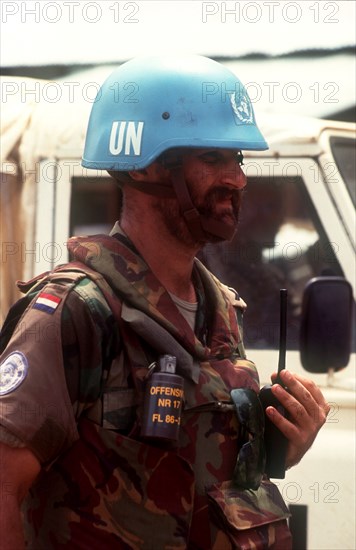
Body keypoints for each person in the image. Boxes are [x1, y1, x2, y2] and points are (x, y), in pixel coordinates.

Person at [0, 55, 330, 549]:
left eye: (237, 160)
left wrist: (281, 446)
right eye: (213, 158)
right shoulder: (79, 311)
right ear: (148, 166)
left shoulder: (220, 311)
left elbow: (201, 481)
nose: (238, 179)